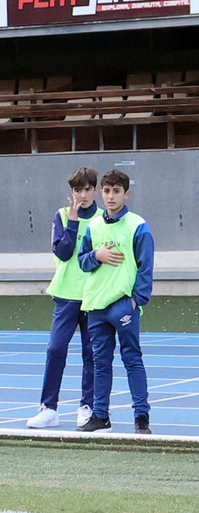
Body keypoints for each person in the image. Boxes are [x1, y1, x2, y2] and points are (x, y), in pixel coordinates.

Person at [77, 168, 154, 434]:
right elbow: (82, 261)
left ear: (126, 193)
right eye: (107, 191)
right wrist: (96, 256)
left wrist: (136, 300)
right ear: (102, 192)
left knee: (132, 359)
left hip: (123, 304)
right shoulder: (95, 226)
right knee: (100, 362)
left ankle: (141, 417)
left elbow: (146, 267)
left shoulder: (138, 225)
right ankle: (101, 416)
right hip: (96, 305)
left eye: (116, 191)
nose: (111, 197)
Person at [28, 166, 101, 430]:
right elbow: (63, 253)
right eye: (77, 189)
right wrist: (72, 222)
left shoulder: (104, 219)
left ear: (95, 190)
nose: (82, 195)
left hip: (94, 298)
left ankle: (87, 406)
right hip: (66, 296)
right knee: (55, 349)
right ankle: (48, 408)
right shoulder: (61, 216)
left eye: (87, 189)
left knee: (91, 353)